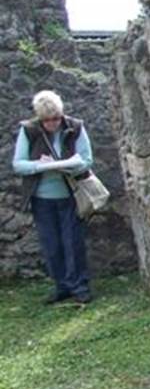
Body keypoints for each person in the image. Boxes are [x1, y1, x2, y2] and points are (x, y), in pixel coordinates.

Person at [11, 90, 94, 304]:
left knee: (73, 241)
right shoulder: (29, 130)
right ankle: (62, 285)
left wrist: (70, 166)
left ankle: (80, 285)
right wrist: (41, 165)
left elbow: (86, 159)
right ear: (40, 118)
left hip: (70, 194)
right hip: (42, 197)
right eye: (47, 120)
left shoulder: (75, 127)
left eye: (56, 119)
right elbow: (18, 164)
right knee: (52, 243)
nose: (53, 124)